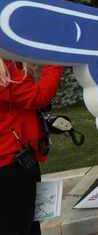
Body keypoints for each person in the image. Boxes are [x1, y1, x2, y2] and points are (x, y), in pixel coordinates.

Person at [0, 59, 63, 235]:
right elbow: (38, 97)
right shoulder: (5, 71)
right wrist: (55, 61)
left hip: (10, 162)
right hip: (11, 165)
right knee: (21, 227)